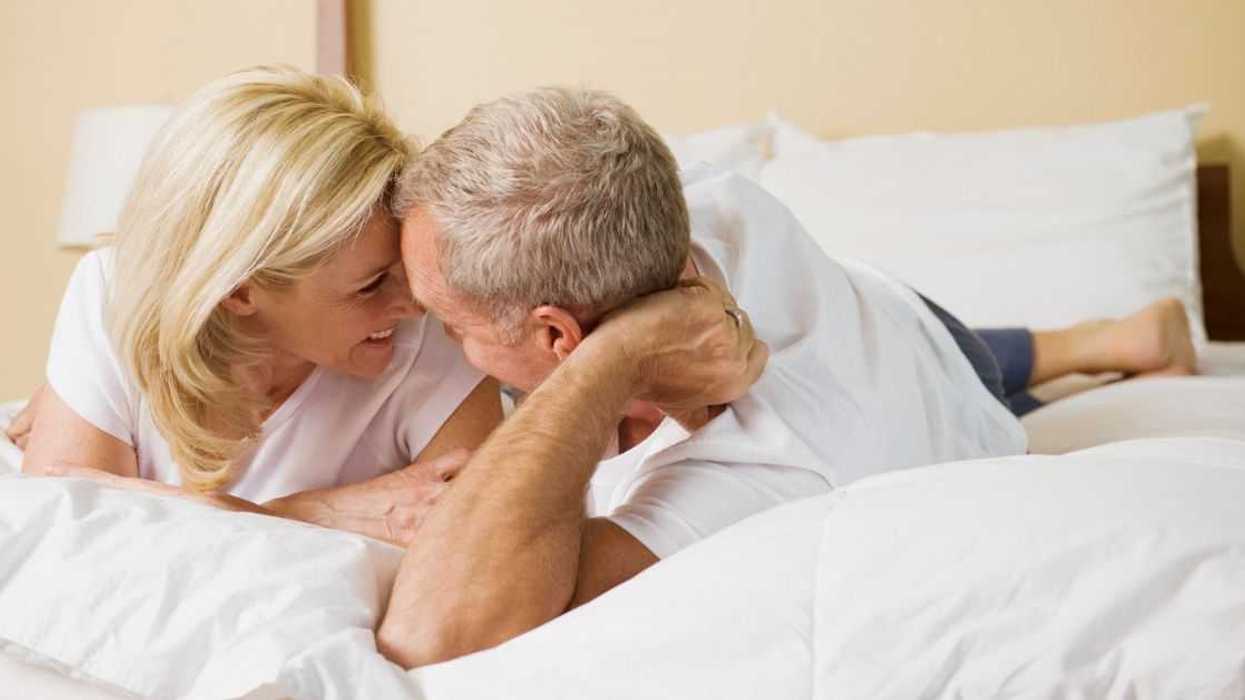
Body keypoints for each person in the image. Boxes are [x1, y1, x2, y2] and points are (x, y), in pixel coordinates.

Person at [374, 86, 1196, 666]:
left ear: (561, 334)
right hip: (880, 304)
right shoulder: (659, 206)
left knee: (986, 367)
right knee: (967, 338)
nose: (435, 342)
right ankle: (1097, 341)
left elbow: (433, 634)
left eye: (452, 325)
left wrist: (612, 360)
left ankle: (1115, 340)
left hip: (946, 370)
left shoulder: (770, 467)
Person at [9, 67, 759, 547]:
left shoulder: (431, 335)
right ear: (237, 290)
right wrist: (316, 514)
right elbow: (69, 521)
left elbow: (472, 547)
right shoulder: (113, 290)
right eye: (371, 285)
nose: (415, 302)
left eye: (400, 266)